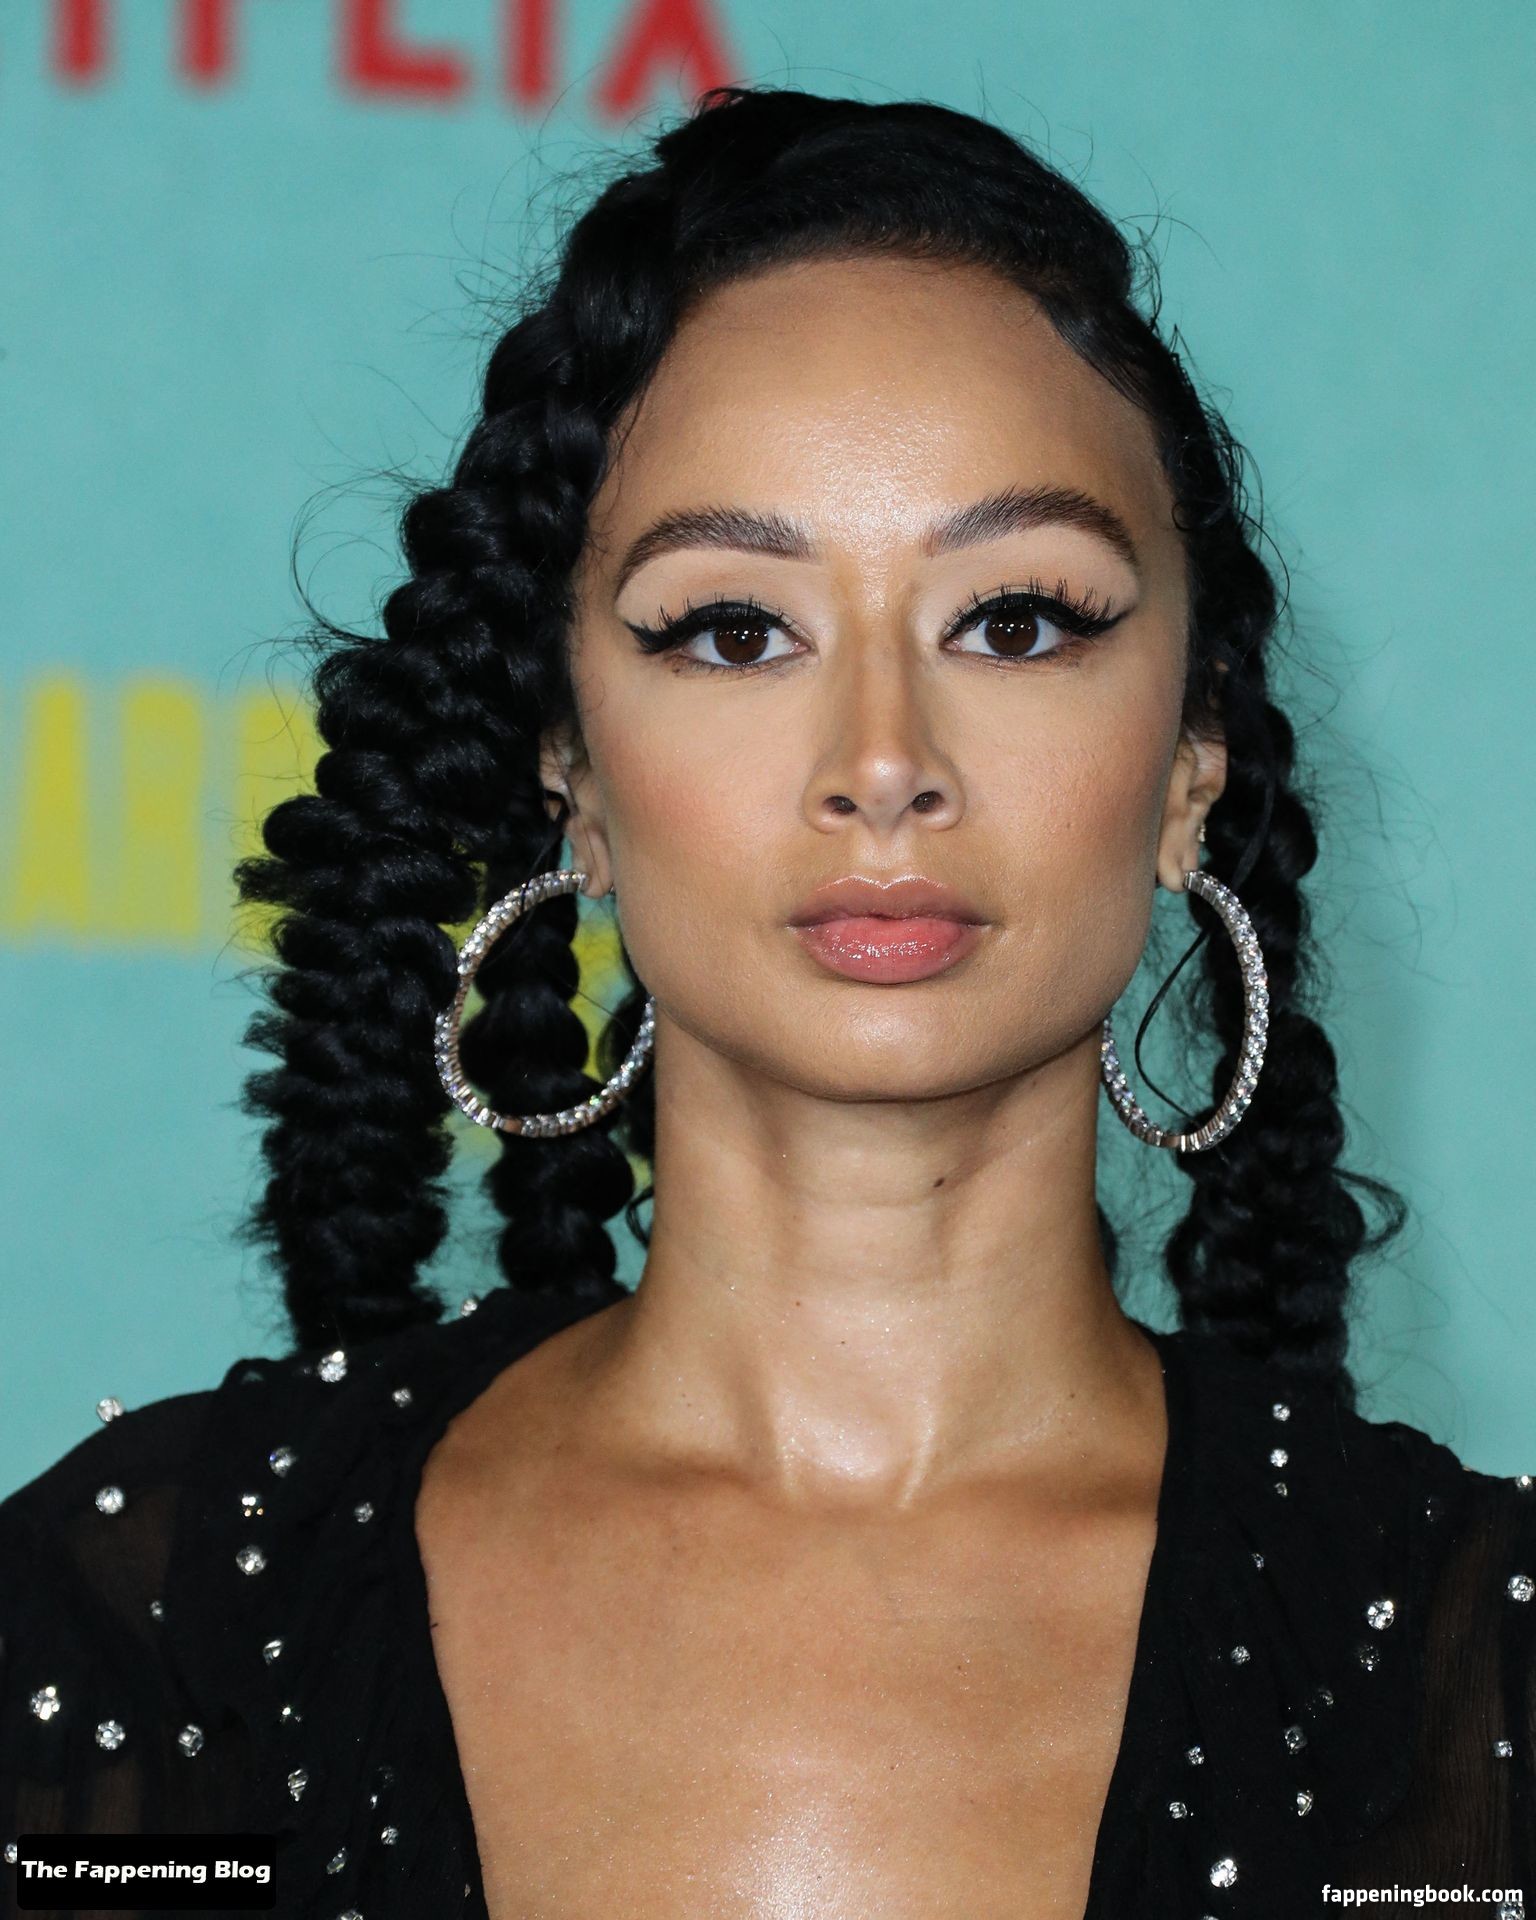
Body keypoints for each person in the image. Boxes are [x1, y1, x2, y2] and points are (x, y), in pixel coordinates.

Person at [2, 82, 1532, 1920]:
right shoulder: (162, 1608)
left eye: (1017, 620)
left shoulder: (1474, 1660)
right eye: (733, 629)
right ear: (571, 772)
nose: (883, 762)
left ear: (1192, 761)